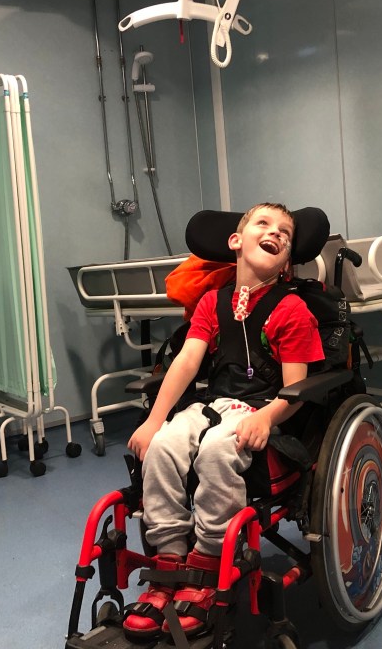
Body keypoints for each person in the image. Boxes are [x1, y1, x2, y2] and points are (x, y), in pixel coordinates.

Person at [123, 203, 324, 641]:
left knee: (216, 450)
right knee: (163, 446)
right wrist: (155, 420)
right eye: (264, 224)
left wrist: (269, 417)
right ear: (236, 241)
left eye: (285, 234)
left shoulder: (291, 310)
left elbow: (296, 388)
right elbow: (187, 362)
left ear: (287, 260)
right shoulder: (212, 304)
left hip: (259, 408)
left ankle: (209, 564)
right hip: (210, 403)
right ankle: (169, 565)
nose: (276, 233)